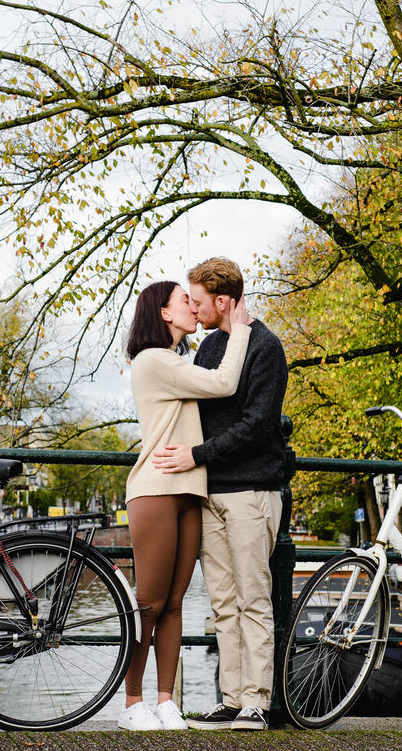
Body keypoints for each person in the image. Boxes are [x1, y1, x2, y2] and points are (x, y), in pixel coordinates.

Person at [152, 258, 288, 732]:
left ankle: (257, 702)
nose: (192, 306)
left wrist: (196, 456)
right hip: (212, 491)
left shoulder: (266, 348)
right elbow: (196, 399)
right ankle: (231, 698)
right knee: (223, 602)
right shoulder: (210, 346)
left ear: (223, 301)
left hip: (251, 491)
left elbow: (257, 426)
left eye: (198, 300)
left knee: (254, 598)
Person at [117, 280, 252, 731]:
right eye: (184, 301)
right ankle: (133, 702)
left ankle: (165, 702)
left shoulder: (177, 361)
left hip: (190, 491)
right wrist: (239, 330)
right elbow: (224, 382)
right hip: (156, 490)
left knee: (174, 605)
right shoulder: (154, 361)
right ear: (163, 312)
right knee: (148, 605)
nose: (193, 307)